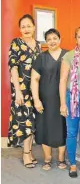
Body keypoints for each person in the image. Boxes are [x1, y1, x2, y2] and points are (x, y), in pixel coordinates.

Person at [59, 27, 80, 178]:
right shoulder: (69, 56)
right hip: (71, 97)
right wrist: (62, 103)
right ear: (76, 39)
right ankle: (73, 164)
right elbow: (62, 80)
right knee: (72, 132)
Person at [7, 14, 41, 168]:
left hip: (37, 90)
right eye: (23, 26)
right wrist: (18, 92)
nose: (26, 29)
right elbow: (13, 68)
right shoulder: (16, 43)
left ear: (34, 27)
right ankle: (26, 154)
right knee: (26, 121)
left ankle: (30, 151)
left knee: (33, 121)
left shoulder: (39, 45)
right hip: (22, 90)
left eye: (29, 26)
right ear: (20, 29)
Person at [31, 28, 67, 171]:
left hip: (63, 100)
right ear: (46, 42)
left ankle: (61, 159)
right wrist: (36, 100)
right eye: (49, 39)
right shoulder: (41, 58)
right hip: (45, 101)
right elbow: (34, 79)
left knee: (62, 128)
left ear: (60, 39)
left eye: (55, 38)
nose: (52, 41)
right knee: (45, 128)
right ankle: (47, 159)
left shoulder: (68, 55)